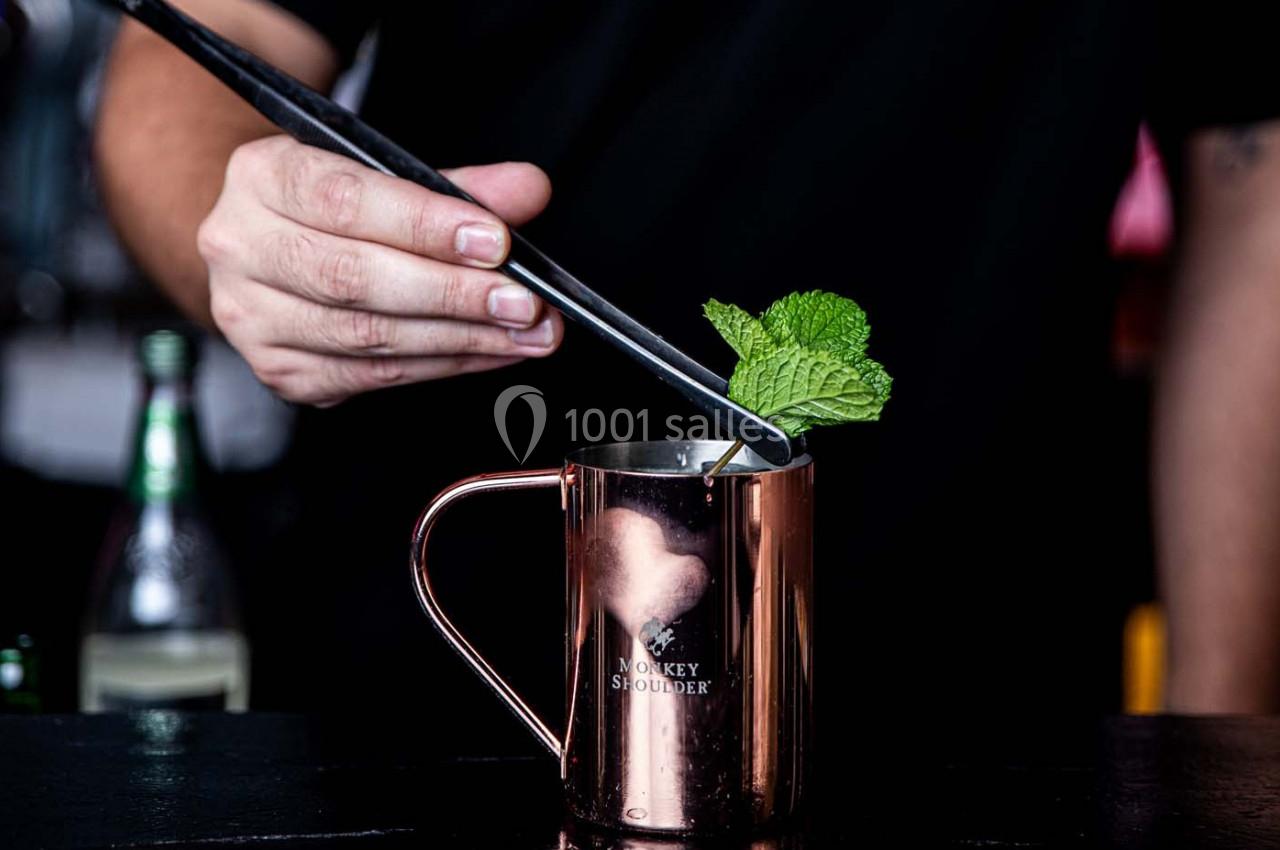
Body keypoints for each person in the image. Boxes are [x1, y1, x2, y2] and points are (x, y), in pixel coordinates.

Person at [94, 0, 1280, 739]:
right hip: (426, 673)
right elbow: (205, 39)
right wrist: (250, 236)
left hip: (986, 693)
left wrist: (1221, 744)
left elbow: (1252, 171)